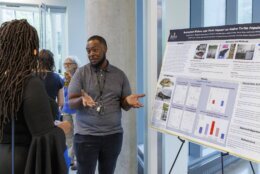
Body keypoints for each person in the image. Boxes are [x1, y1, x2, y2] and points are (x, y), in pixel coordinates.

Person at [68, 35, 145, 174]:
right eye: (88, 51)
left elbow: (124, 105)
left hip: (112, 136)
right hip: (86, 136)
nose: (91, 54)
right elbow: (71, 103)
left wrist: (127, 101)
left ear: (105, 49)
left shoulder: (119, 75)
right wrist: (81, 100)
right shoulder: (81, 73)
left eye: (95, 50)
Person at [0, 19, 68, 174]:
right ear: (33, 50)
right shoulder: (30, 83)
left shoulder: (3, 80)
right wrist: (62, 130)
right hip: (20, 162)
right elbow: (43, 138)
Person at [62, 56, 79, 170]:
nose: (67, 66)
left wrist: (72, 78)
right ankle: (70, 160)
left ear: (75, 65)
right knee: (68, 136)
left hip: (77, 110)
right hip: (66, 109)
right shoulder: (64, 78)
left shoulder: (79, 76)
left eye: (69, 63)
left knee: (78, 134)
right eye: (65, 64)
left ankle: (77, 159)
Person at [38, 49, 64, 120]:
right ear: (52, 62)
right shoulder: (57, 78)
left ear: (39, 61)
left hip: (35, 114)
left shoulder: (32, 76)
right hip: (52, 114)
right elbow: (61, 102)